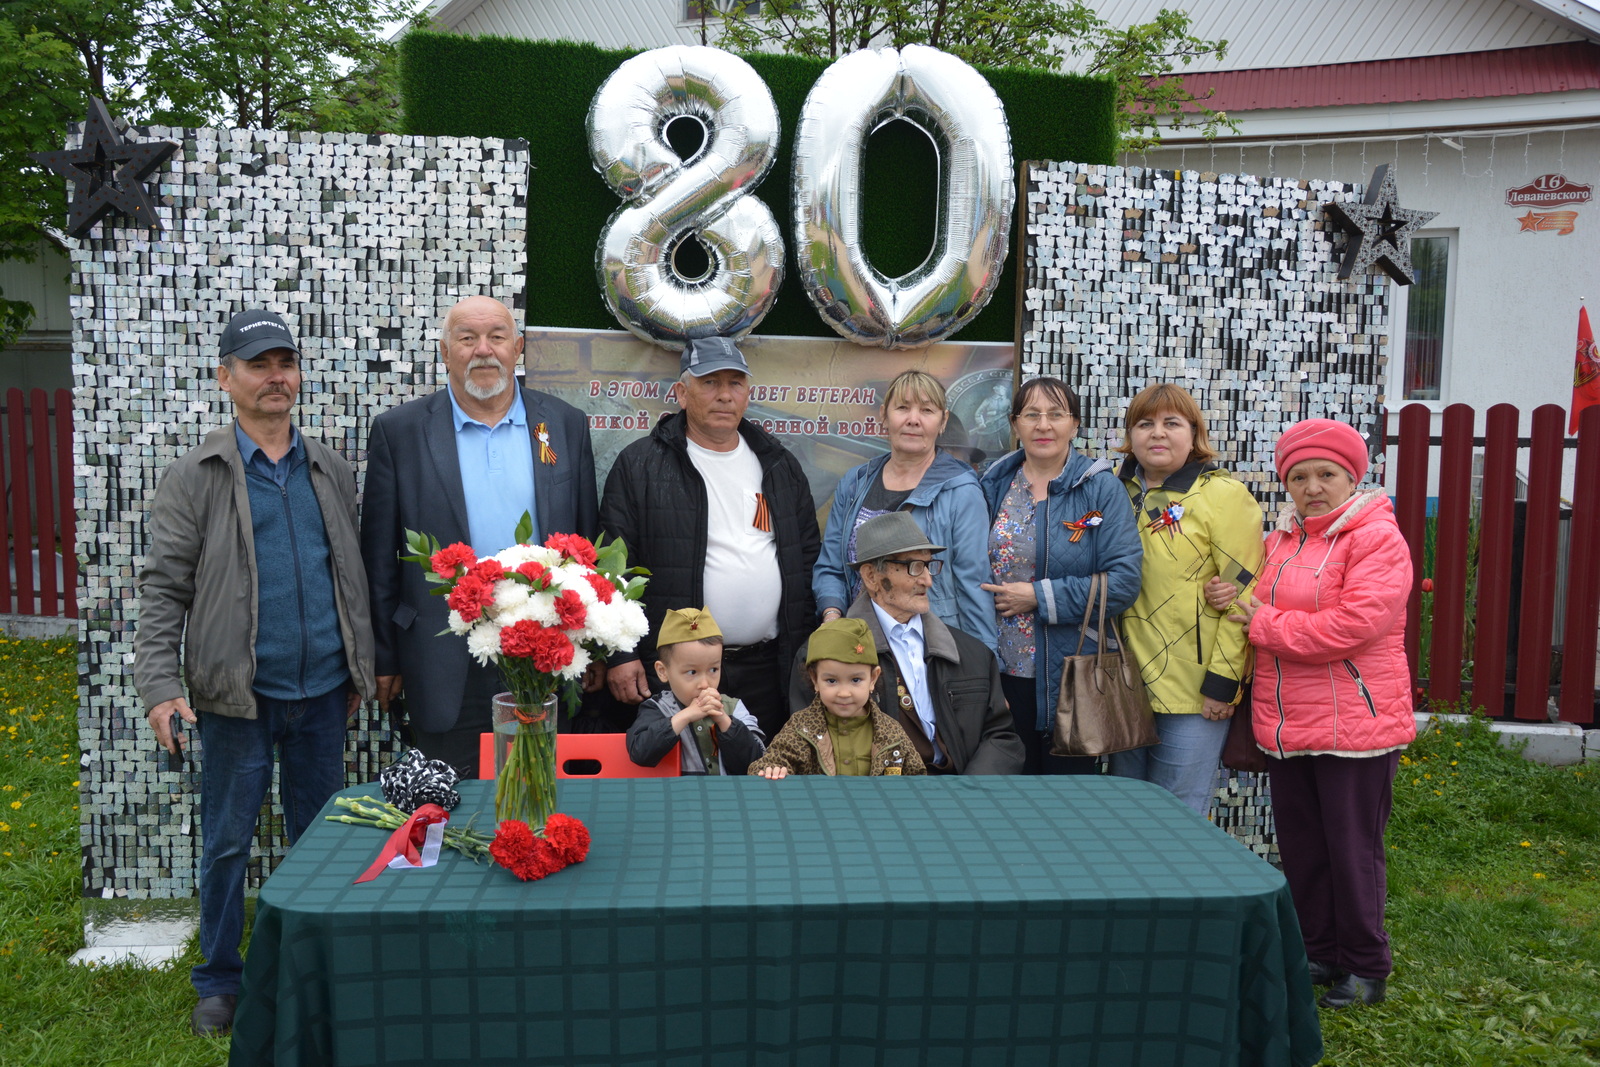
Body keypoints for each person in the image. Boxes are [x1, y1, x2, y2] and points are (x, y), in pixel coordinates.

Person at [133, 310, 375, 1036]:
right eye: (259, 363)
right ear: (225, 377)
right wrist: (159, 685)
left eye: (286, 363)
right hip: (237, 697)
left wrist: (362, 662)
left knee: (321, 836)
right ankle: (219, 979)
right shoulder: (197, 474)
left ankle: (313, 965)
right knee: (228, 842)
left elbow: (349, 574)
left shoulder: (329, 467)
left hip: (324, 691)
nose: (277, 377)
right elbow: (164, 587)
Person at [1205, 417, 1415, 1010]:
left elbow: (1355, 626)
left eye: (1326, 474)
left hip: (1355, 724)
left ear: (1353, 477)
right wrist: (1232, 598)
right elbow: (1249, 600)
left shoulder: (1376, 538)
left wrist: (1262, 622)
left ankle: (1367, 967)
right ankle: (1322, 952)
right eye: (1299, 476)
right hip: (1288, 722)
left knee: (1352, 849)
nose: (1312, 486)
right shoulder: (1280, 542)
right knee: (1303, 845)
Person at [361, 295, 597, 779]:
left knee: (541, 795)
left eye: (497, 337)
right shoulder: (399, 433)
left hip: (543, 649)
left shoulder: (564, 425)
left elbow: (585, 540)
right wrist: (383, 657)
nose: (483, 350)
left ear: (519, 348)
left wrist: (588, 643)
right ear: (445, 353)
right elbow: (379, 560)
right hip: (442, 657)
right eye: (467, 339)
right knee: (451, 810)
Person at [600, 335, 820, 742]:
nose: (724, 395)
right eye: (709, 383)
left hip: (768, 670)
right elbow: (612, 571)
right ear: (682, 394)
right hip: (678, 673)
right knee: (685, 790)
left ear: (748, 394)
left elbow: (806, 558)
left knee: (762, 782)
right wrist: (622, 654)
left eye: (735, 383)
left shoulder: (779, 465)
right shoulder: (639, 465)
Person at [1106, 383, 1265, 816]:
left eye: (1171, 423)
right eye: (1145, 423)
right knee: (1124, 811)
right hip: (1122, 684)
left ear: (1194, 434)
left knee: (1177, 817)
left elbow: (1243, 594)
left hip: (1193, 694)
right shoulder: (1113, 494)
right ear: (1130, 435)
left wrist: (1223, 685)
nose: (1157, 433)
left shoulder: (1223, 496)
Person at [978, 377, 1143, 774]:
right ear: (1015, 424)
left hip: (1073, 674)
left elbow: (1123, 581)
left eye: (1056, 414)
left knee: (1067, 806)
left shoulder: (1100, 489)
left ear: (1075, 424)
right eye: (1031, 414)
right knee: (1005, 800)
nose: (1043, 425)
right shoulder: (992, 485)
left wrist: (1039, 596)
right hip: (1000, 673)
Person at [790, 512, 1024, 775]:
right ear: (871, 576)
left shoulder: (971, 653)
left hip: (962, 794)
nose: (927, 580)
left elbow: (1001, 737)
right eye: (914, 567)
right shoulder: (824, 655)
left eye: (928, 565)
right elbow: (809, 743)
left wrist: (970, 790)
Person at [812, 370, 996, 646]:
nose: (913, 419)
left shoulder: (962, 491)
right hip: (861, 644)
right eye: (902, 408)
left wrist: (982, 662)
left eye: (926, 410)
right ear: (884, 415)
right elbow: (831, 567)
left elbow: (973, 585)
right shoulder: (855, 483)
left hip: (931, 646)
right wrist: (832, 616)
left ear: (942, 421)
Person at [751, 618, 925, 778]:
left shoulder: (890, 733)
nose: (844, 693)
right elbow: (768, 763)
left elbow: (917, 779)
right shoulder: (800, 728)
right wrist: (772, 769)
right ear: (814, 679)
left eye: (855, 680)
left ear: (873, 678)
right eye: (831, 681)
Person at [626, 607, 766, 775]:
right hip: (678, 797)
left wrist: (724, 721)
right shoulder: (658, 709)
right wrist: (685, 716)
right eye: (692, 672)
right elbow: (640, 752)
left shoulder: (733, 708)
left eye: (713, 669)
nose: (705, 684)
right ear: (663, 671)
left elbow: (756, 762)